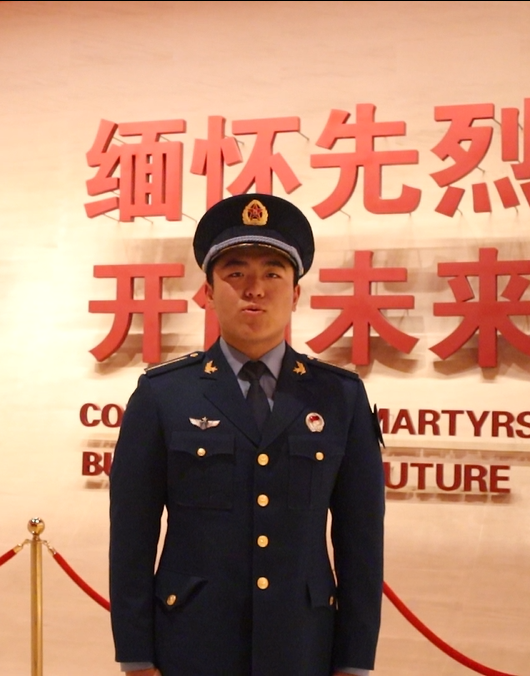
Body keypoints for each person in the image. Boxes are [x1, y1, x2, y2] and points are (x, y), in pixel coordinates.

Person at [108, 193, 385, 676]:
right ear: (208, 291)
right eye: (235, 273)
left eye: (273, 274)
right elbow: (132, 535)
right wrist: (136, 657)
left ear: (295, 293)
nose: (254, 289)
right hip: (191, 644)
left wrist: (354, 663)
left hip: (303, 647)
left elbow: (361, 541)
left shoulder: (339, 397)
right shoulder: (163, 395)